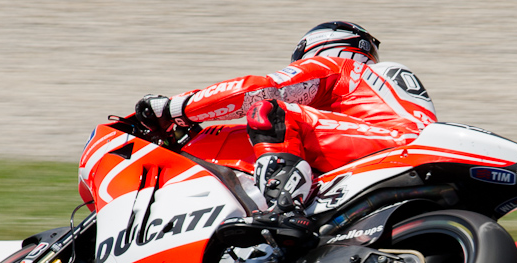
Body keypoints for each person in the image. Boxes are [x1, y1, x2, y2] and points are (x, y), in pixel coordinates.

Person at [135, 21, 437, 213]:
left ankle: (285, 211)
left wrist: (174, 109)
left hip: (392, 147)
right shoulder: (373, 89)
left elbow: (259, 90)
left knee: (269, 110)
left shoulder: (339, 67)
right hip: (402, 150)